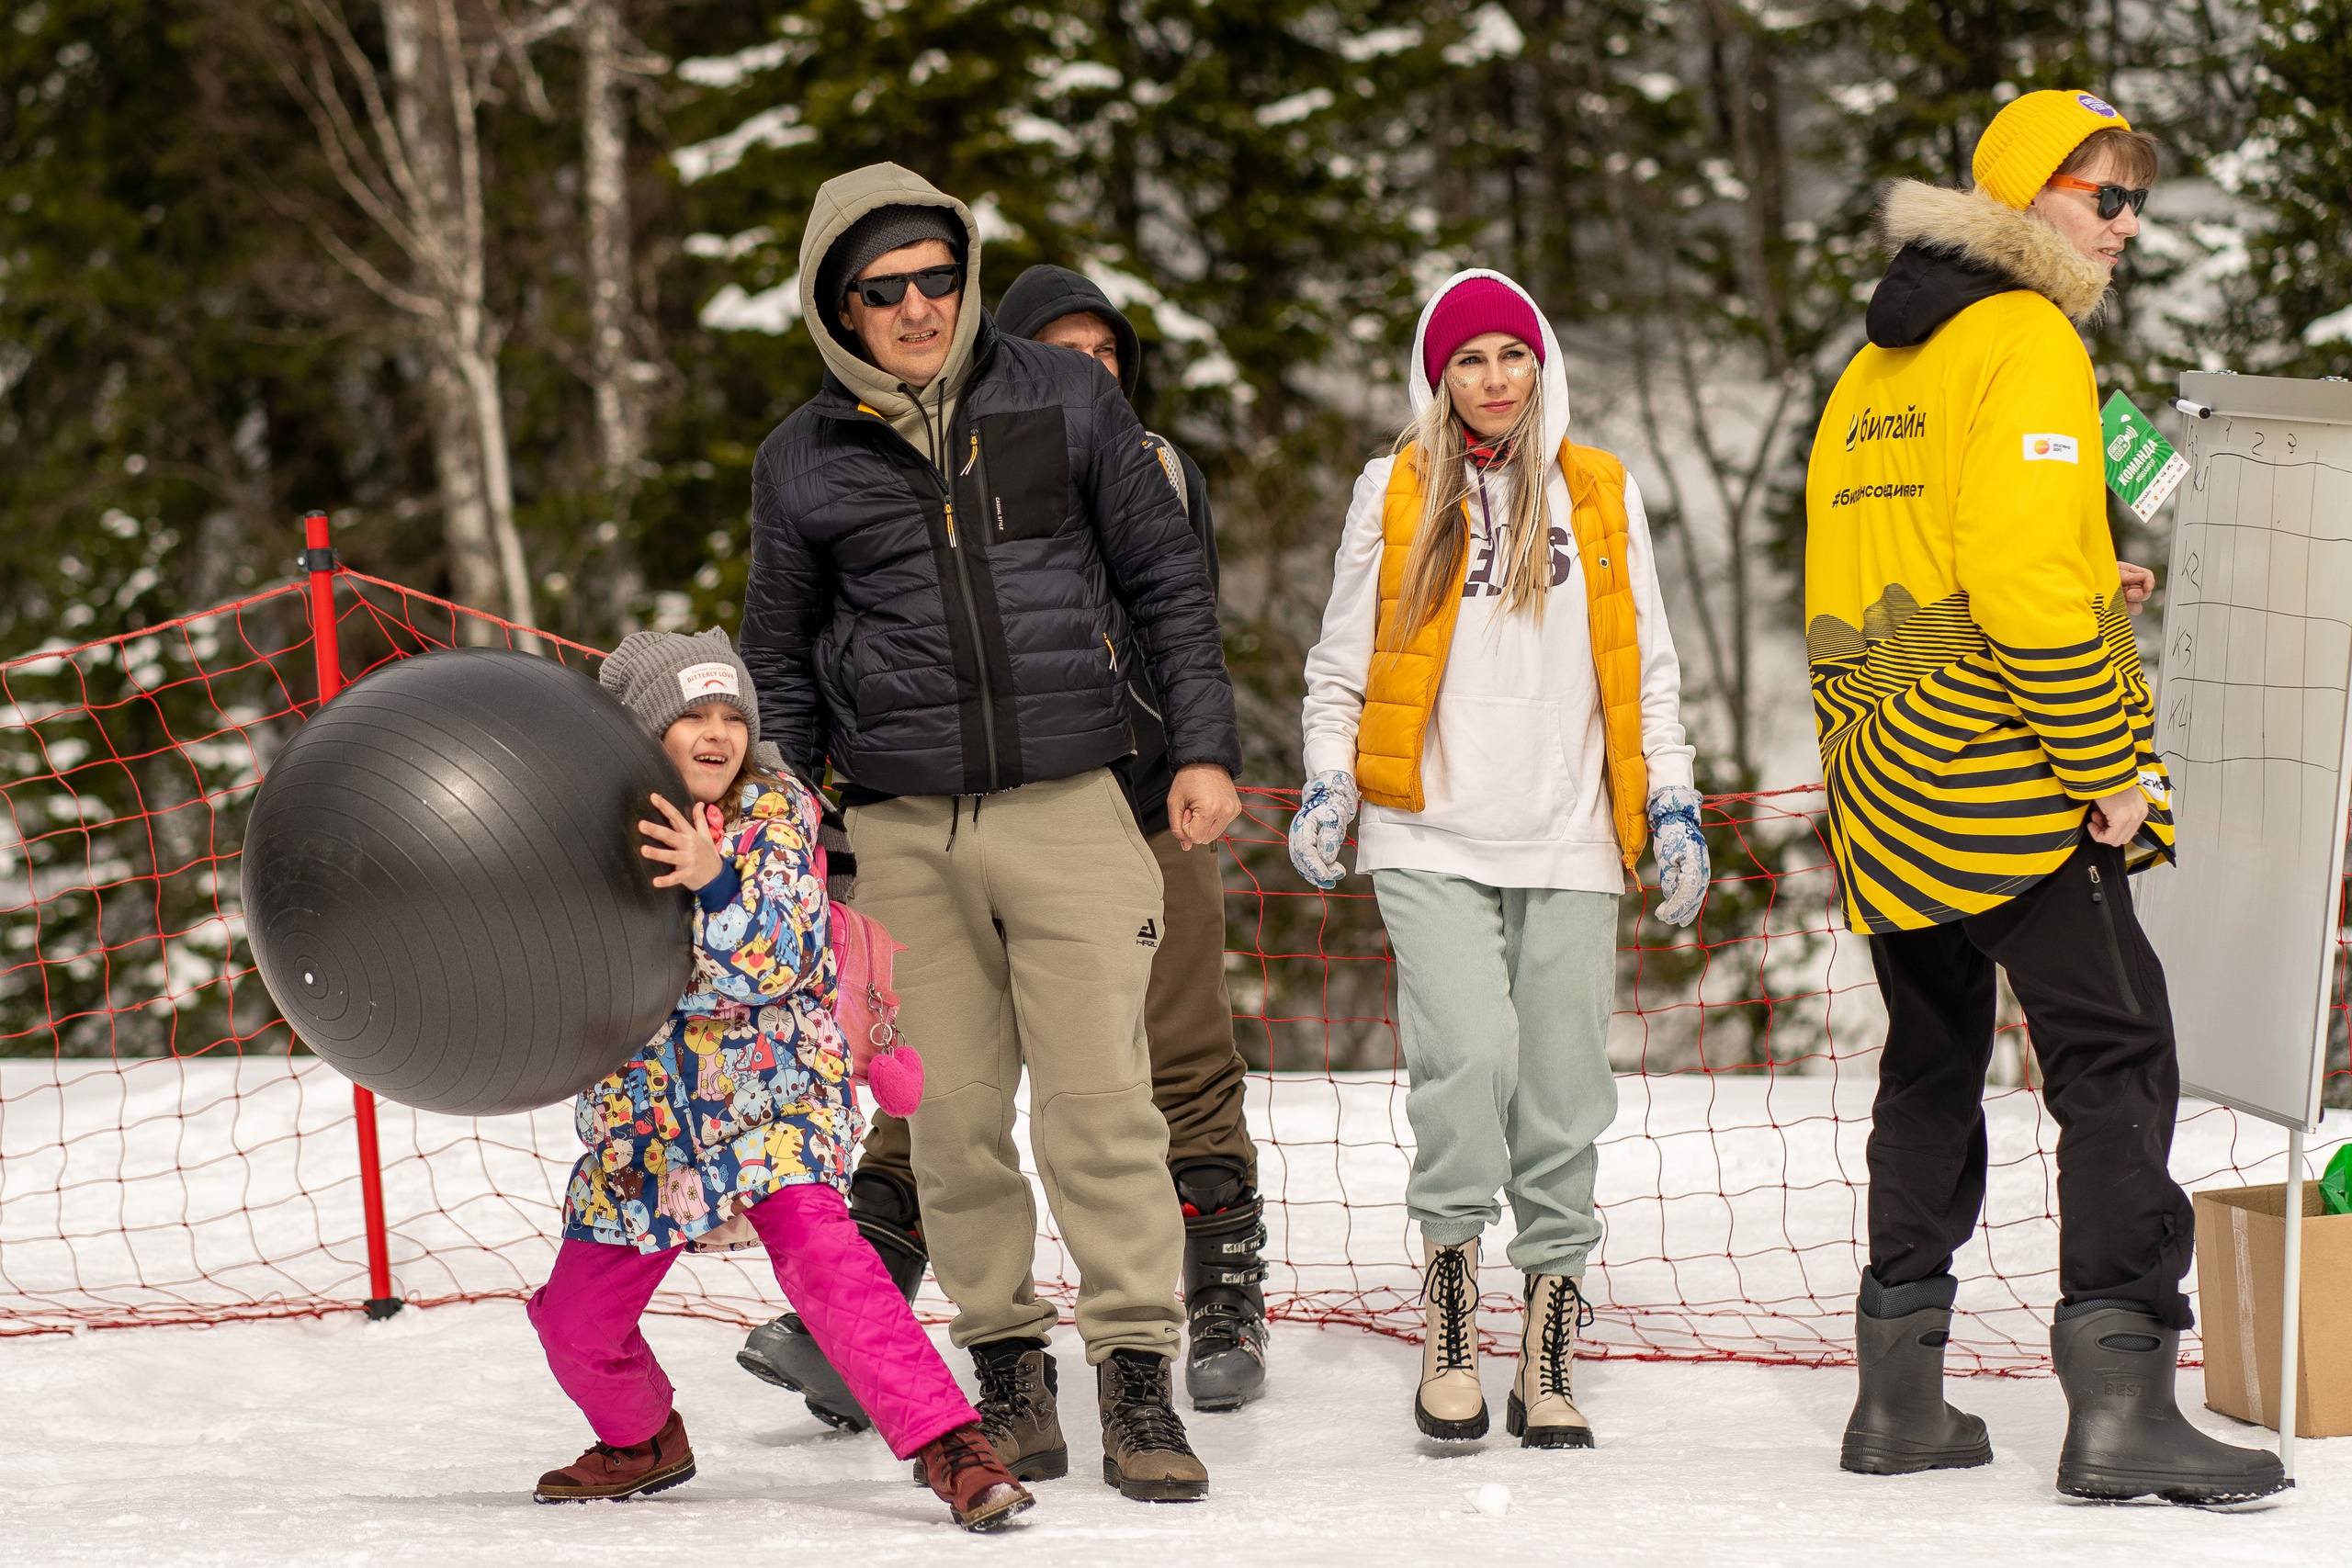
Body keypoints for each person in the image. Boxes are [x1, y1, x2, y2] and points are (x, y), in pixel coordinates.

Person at [736, 164, 1244, 1504]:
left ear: (966, 271)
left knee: (1101, 1105)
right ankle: (1009, 1369)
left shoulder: (1067, 395)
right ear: (837, 305)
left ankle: (1137, 1372)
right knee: (951, 1122)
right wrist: (792, 824)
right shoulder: (802, 459)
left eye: (935, 276)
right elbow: (775, 660)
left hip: (1072, 805)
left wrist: (1200, 744)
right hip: (901, 832)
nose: (915, 306)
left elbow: (1165, 582)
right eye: (881, 288)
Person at [1805, 89, 2285, 1503]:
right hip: (2007, 777)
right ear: (2026, 201)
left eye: (2137, 198)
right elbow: (2013, 586)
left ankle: (1898, 1400)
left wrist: (2092, 579)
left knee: (1932, 1063)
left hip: (1883, 771)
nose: (2126, 224)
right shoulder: (2025, 337)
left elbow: (1906, 553)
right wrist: (2108, 769)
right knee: (2120, 1058)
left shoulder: (1880, 362)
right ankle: (2125, 1399)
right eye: (2103, 196)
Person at [1290, 269, 1707, 1448]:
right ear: (1437, 376)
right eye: (1467, 360)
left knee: (1565, 1087)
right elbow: (1342, 662)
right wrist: (1330, 777)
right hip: (1428, 824)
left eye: (1510, 357)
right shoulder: (1396, 488)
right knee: (1466, 1059)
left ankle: (1549, 1333)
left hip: (1572, 828)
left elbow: (1650, 667)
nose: (1491, 379)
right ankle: (1451, 1308)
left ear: (1542, 364)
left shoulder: (1599, 492)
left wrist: (1670, 803)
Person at [526, 629, 1031, 1533]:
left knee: (831, 1268)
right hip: (644, 1127)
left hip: (771, 1100)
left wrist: (716, 883)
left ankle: (953, 1447)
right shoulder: (591, 833)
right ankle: (642, 1440)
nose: (717, 734)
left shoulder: (773, 826)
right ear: (641, 735)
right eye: (692, 717)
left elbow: (782, 956)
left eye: (732, 718)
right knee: (574, 1318)